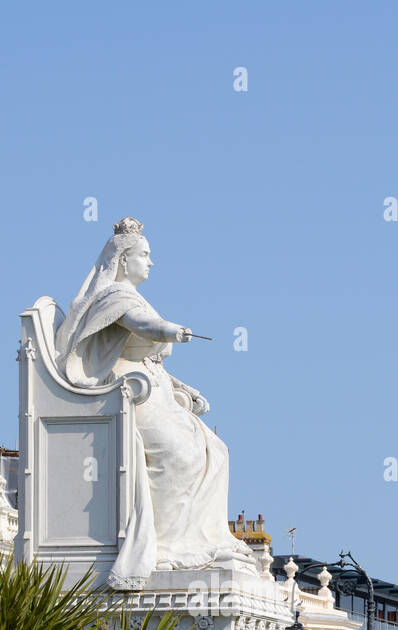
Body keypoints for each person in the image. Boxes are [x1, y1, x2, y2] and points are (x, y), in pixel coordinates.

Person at [55, 217, 254, 587]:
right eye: (145, 255)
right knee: (180, 455)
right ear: (124, 260)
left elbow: (148, 353)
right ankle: (165, 546)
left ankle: (203, 538)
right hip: (130, 395)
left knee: (218, 450)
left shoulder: (135, 297)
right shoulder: (115, 297)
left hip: (156, 390)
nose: (151, 262)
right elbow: (142, 327)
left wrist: (184, 388)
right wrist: (172, 331)